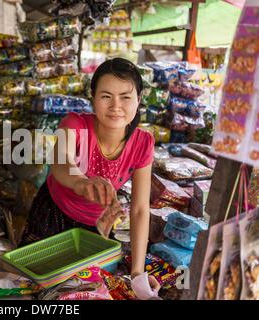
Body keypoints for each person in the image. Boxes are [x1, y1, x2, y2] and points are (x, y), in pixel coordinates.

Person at [21, 58, 161, 297]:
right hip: (53, 215)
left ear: (139, 100)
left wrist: (138, 272)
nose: (116, 105)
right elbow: (60, 162)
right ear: (93, 98)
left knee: (81, 293)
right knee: (35, 287)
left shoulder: (143, 142)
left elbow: (139, 209)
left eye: (126, 97)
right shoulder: (74, 124)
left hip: (96, 228)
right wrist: (81, 182)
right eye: (106, 96)